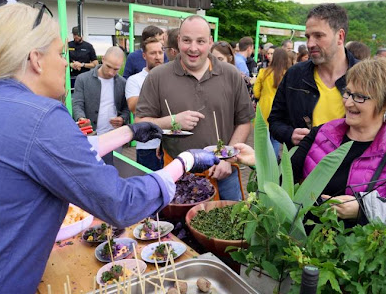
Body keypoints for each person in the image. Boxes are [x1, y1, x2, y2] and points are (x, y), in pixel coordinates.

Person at [0, 3, 219, 293]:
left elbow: (57, 153)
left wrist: (128, 131)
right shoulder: (42, 115)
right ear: (36, 60)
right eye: (59, 53)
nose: (66, 63)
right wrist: (184, 162)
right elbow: (120, 204)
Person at [237, 59, 386, 224]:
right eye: (348, 92)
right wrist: (258, 160)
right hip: (302, 246)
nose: (348, 102)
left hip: (353, 259)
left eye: (360, 97)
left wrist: (363, 209)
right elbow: (285, 177)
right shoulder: (322, 133)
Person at [135, 15, 255, 200]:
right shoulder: (157, 77)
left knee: (232, 225)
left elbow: (244, 121)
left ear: (210, 42)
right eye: (187, 40)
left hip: (224, 173)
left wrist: (228, 159)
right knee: (180, 228)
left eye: (200, 41)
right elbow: (140, 123)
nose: (193, 48)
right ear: (178, 41)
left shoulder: (230, 74)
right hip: (178, 174)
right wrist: (173, 121)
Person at [269, 3, 357, 148]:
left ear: (340, 36)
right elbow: (275, 121)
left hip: (348, 168)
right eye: (308, 37)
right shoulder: (295, 74)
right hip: (300, 165)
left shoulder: (365, 77)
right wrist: (289, 134)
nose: (310, 44)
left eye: (318, 36)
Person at [72, 46, 129, 164]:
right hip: (90, 136)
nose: (111, 72)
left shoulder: (123, 83)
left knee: (114, 169)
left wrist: (122, 118)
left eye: (116, 69)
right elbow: (77, 103)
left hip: (114, 137)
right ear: (103, 59)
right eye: (108, 66)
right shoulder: (83, 79)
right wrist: (81, 118)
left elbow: (126, 108)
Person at [125, 37, 165, 171]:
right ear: (144, 56)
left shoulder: (171, 78)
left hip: (170, 144)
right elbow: (133, 107)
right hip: (147, 145)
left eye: (160, 52)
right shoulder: (134, 80)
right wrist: (152, 85)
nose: (158, 56)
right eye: (153, 53)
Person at [254, 47, 291, 157]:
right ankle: (273, 166)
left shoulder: (263, 72)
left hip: (264, 109)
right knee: (276, 140)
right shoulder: (288, 74)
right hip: (281, 110)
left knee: (262, 141)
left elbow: (256, 92)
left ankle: (260, 165)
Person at [210, 40, 256, 109]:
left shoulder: (238, 80)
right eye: (213, 59)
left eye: (220, 59)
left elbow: (243, 111)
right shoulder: (206, 78)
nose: (215, 63)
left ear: (230, 59)